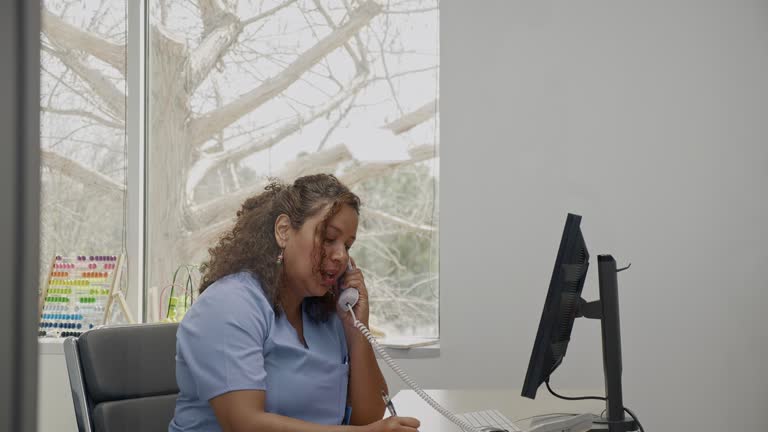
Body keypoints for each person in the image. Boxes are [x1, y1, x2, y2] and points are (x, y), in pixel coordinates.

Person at [168, 174, 421, 432]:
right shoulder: (228, 304)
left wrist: (357, 330)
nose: (341, 255)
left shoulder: (325, 313)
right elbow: (244, 424)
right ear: (284, 231)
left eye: (348, 245)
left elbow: (368, 418)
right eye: (329, 238)